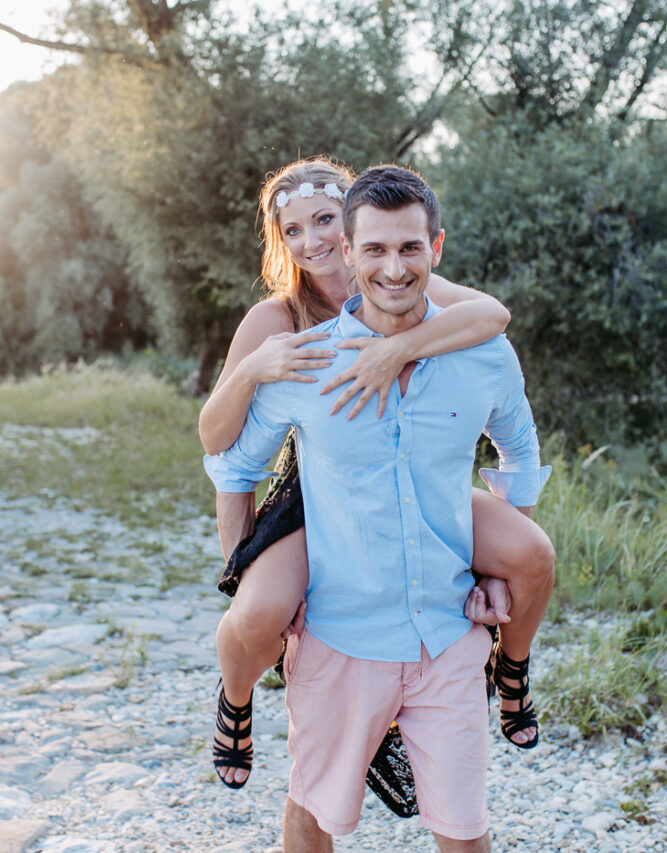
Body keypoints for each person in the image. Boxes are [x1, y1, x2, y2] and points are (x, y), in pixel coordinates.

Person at [205, 164, 552, 851]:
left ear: (434, 248)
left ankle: (512, 666)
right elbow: (225, 453)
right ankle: (236, 698)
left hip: (442, 618)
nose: (314, 241)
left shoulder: (468, 338)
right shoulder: (287, 338)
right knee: (258, 617)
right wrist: (241, 563)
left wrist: (401, 347)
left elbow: (497, 341)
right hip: (315, 509)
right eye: (294, 229)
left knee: (531, 557)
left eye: (323, 222)